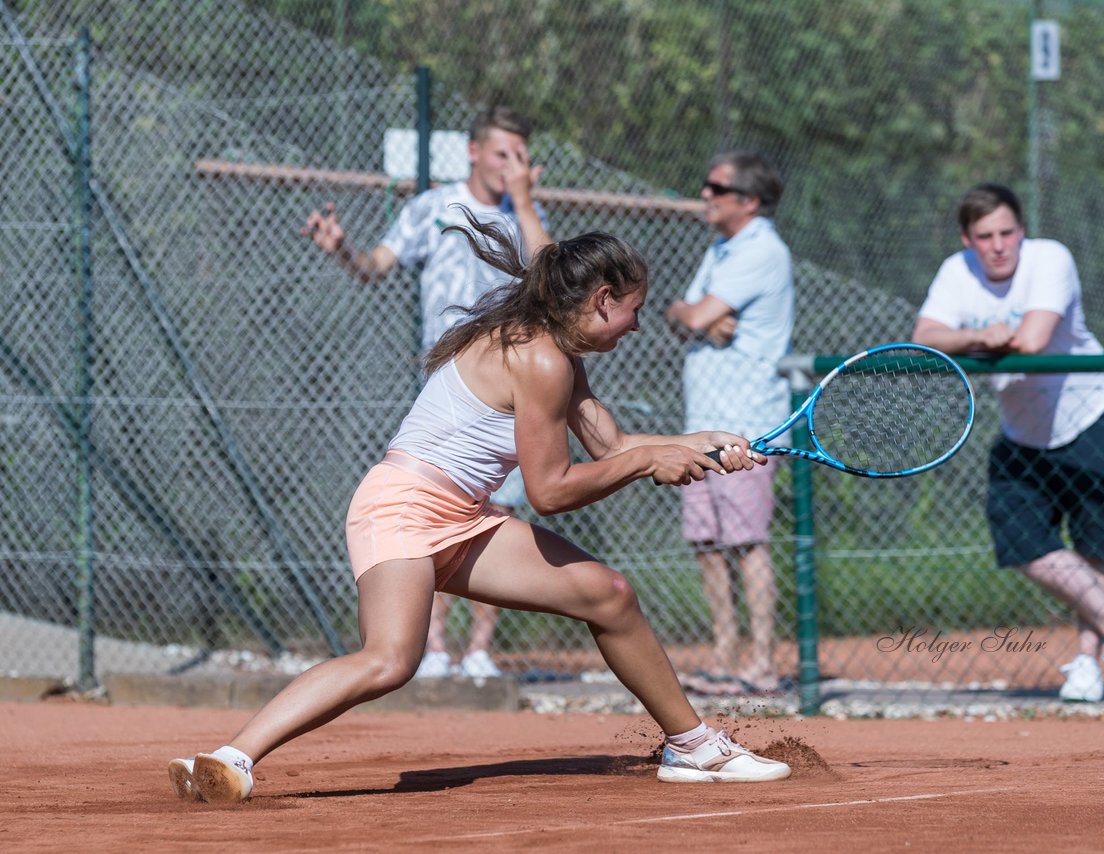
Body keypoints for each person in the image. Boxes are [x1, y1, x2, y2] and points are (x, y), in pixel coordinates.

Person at [168, 214, 791, 803]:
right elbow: (552, 491)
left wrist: (708, 441)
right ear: (602, 298)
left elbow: (615, 444)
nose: (636, 326)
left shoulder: (558, 353)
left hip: (461, 515)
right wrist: (645, 462)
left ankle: (693, 747)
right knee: (390, 660)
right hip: (403, 507)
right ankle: (230, 758)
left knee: (608, 594)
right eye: (633, 309)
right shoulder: (539, 357)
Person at [302, 106, 552, 680]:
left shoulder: (526, 216)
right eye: (502, 153)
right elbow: (374, 266)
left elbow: (548, 275)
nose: (512, 164)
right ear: (473, 151)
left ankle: (481, 650)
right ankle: (435, 646)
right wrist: (341, 248)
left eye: (521, 156)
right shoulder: (432, 207)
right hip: (447, 385)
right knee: (440, 510)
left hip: (511, 387)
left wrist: (525, 199)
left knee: (501, 510)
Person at [911, 183, 1104, 703]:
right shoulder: (956, 272)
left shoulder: (1051, 259)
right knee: (1021, 542)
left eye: (1007, 232)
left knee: (1096, 549)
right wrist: (985, 335)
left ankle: (1090, 670)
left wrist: (976, 336)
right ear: (967, 240)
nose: (999, 245)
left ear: (1021, 232)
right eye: (985, 236)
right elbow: (924, 337)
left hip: (1088, 416)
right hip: (1022, 434)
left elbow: (1032, 340)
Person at [665, 151, 793, 695]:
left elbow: (692, 316)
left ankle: (761, 663)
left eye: (717, 188)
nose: (706, 196)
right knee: (707, 543)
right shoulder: (721, 248)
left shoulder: (761, 249)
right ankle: (725, 655)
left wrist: (693, 316)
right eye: (706, 185)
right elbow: (685, 317)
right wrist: (690, 316)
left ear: (750, 201)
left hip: (748, 422)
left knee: (747, 542)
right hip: (705, 422)